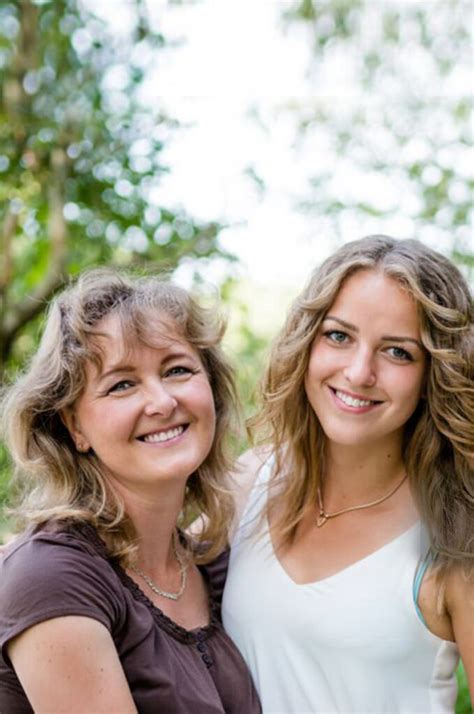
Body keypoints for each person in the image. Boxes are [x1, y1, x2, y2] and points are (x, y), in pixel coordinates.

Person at [222, 235, 473, 713]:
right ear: (306, 343)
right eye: (339, 336)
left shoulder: (457, 535)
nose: (359, 373)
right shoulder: (251, 480)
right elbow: (145, 584)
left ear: (433, 375)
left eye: (397, 352)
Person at [0, 269, 261, 714]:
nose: (162, 402)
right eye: (122, 384)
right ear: (74, 425)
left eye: (177, 370)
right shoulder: (52, 576)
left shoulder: (214, 566)